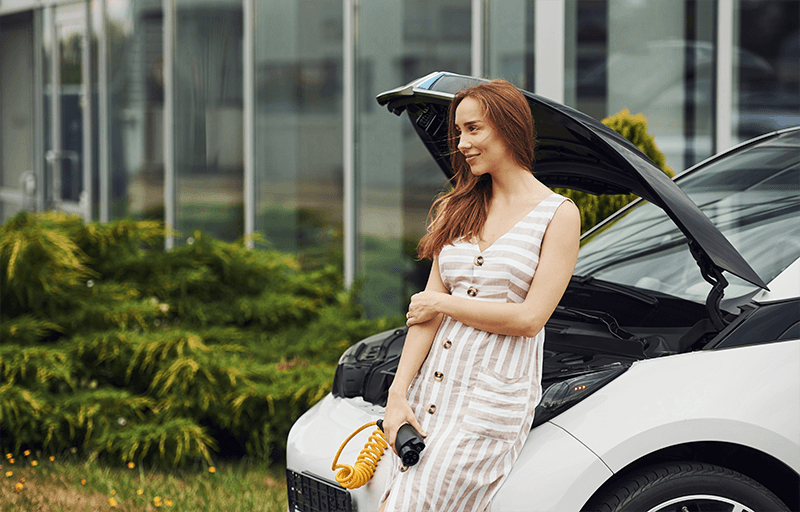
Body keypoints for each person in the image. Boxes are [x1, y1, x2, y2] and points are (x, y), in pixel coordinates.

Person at [377, 79, 581, 512]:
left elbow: (530, 319)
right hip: (428, 395)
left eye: (473, 129)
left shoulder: (558, 215)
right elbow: (424, 317)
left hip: (488, 408)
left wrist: (445, 303)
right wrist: (398, 396)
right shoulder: (457, 207)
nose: (462, 143)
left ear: (507, 129)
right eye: (459, 132)